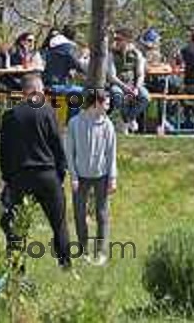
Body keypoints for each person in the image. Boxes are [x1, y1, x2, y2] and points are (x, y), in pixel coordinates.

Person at [0, 74, 72, 269]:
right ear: (38, 90)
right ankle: (65, 265)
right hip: (47, 175)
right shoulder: (48, 112)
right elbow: (58, 146)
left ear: (23, 92)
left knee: (17, 227)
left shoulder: (10, 115)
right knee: (59, 224)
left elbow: (4, 153)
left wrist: (8, 179)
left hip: (21, 177)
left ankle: (16, 269)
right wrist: (60, 174)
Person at [66, 89, 117, 265]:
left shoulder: (108, 125)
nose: (109, 106)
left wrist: (113, 177)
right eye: (107, 103)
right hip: (80, 176)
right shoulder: (74, 123)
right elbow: (69, 153)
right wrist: (73, 176)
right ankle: (83, 250)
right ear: (96, 103)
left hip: (101, 175)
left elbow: (111, 153)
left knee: (102, 213)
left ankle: (101, 252)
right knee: (80, 213)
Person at [108, 28, 150, 134]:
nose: (116, 41)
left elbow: (140, 74)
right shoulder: (111, 54)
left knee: (145, 97)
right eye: (115, 39)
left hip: (133, 84)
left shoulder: (136, 54)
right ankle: (129, 120)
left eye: (119, 39)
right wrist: (125, 87)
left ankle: (127, 119)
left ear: (127, 40)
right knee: (117, 95)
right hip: (118, 84)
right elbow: (112, 77)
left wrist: (136, 87)